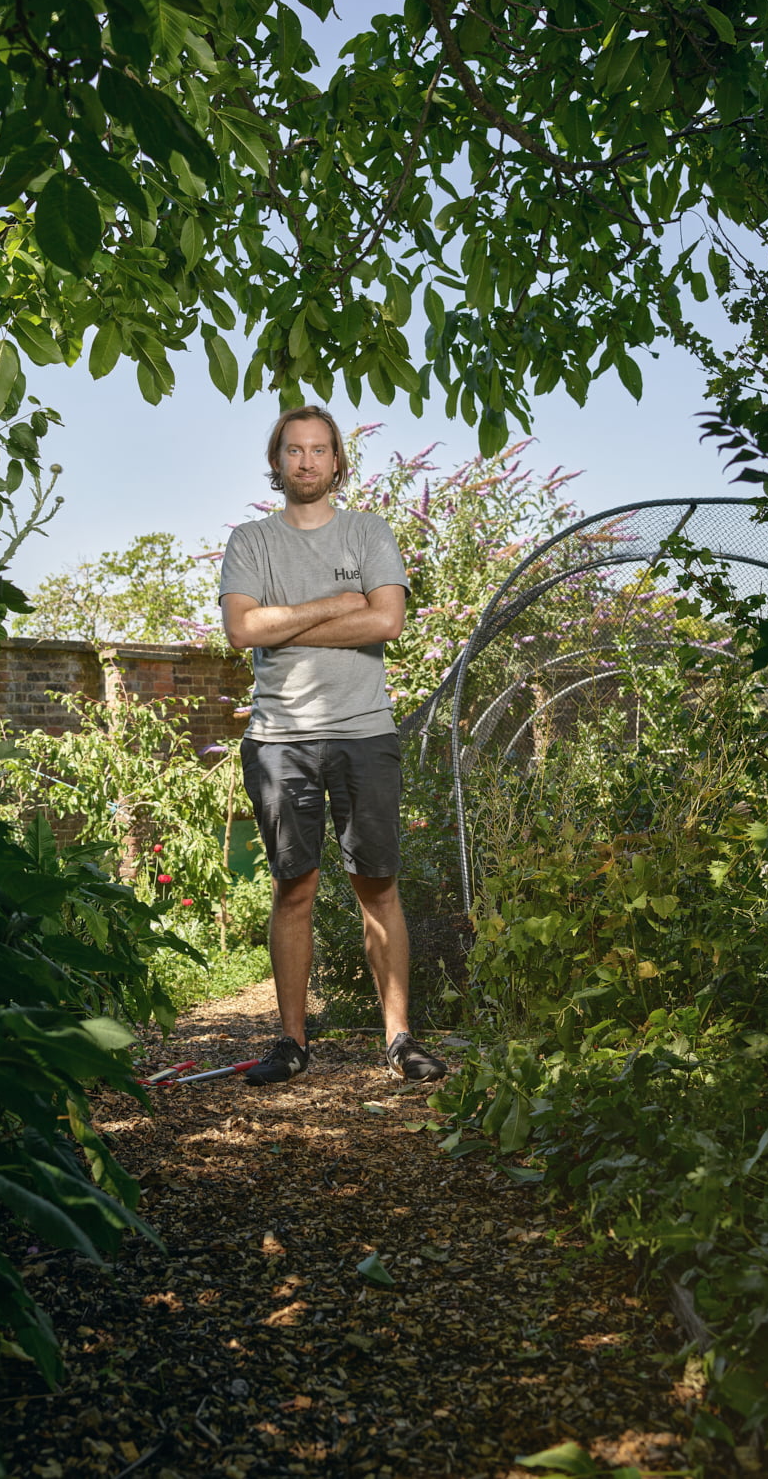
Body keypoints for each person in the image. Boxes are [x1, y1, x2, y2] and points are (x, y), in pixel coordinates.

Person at [219, 405, 446, 1087]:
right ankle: (290, 1042)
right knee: (295, 888)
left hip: (364, 732)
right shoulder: (251, 541)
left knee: (375, 886)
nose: (307, 461)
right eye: (294, 450)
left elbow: (389, 619)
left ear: (338, 462)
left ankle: (399, 1038)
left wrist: (283, 624)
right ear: (278, 461)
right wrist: (335, 605)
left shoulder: (367, 531)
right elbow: (241, 630)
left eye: (319, 450)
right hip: (278, 739)